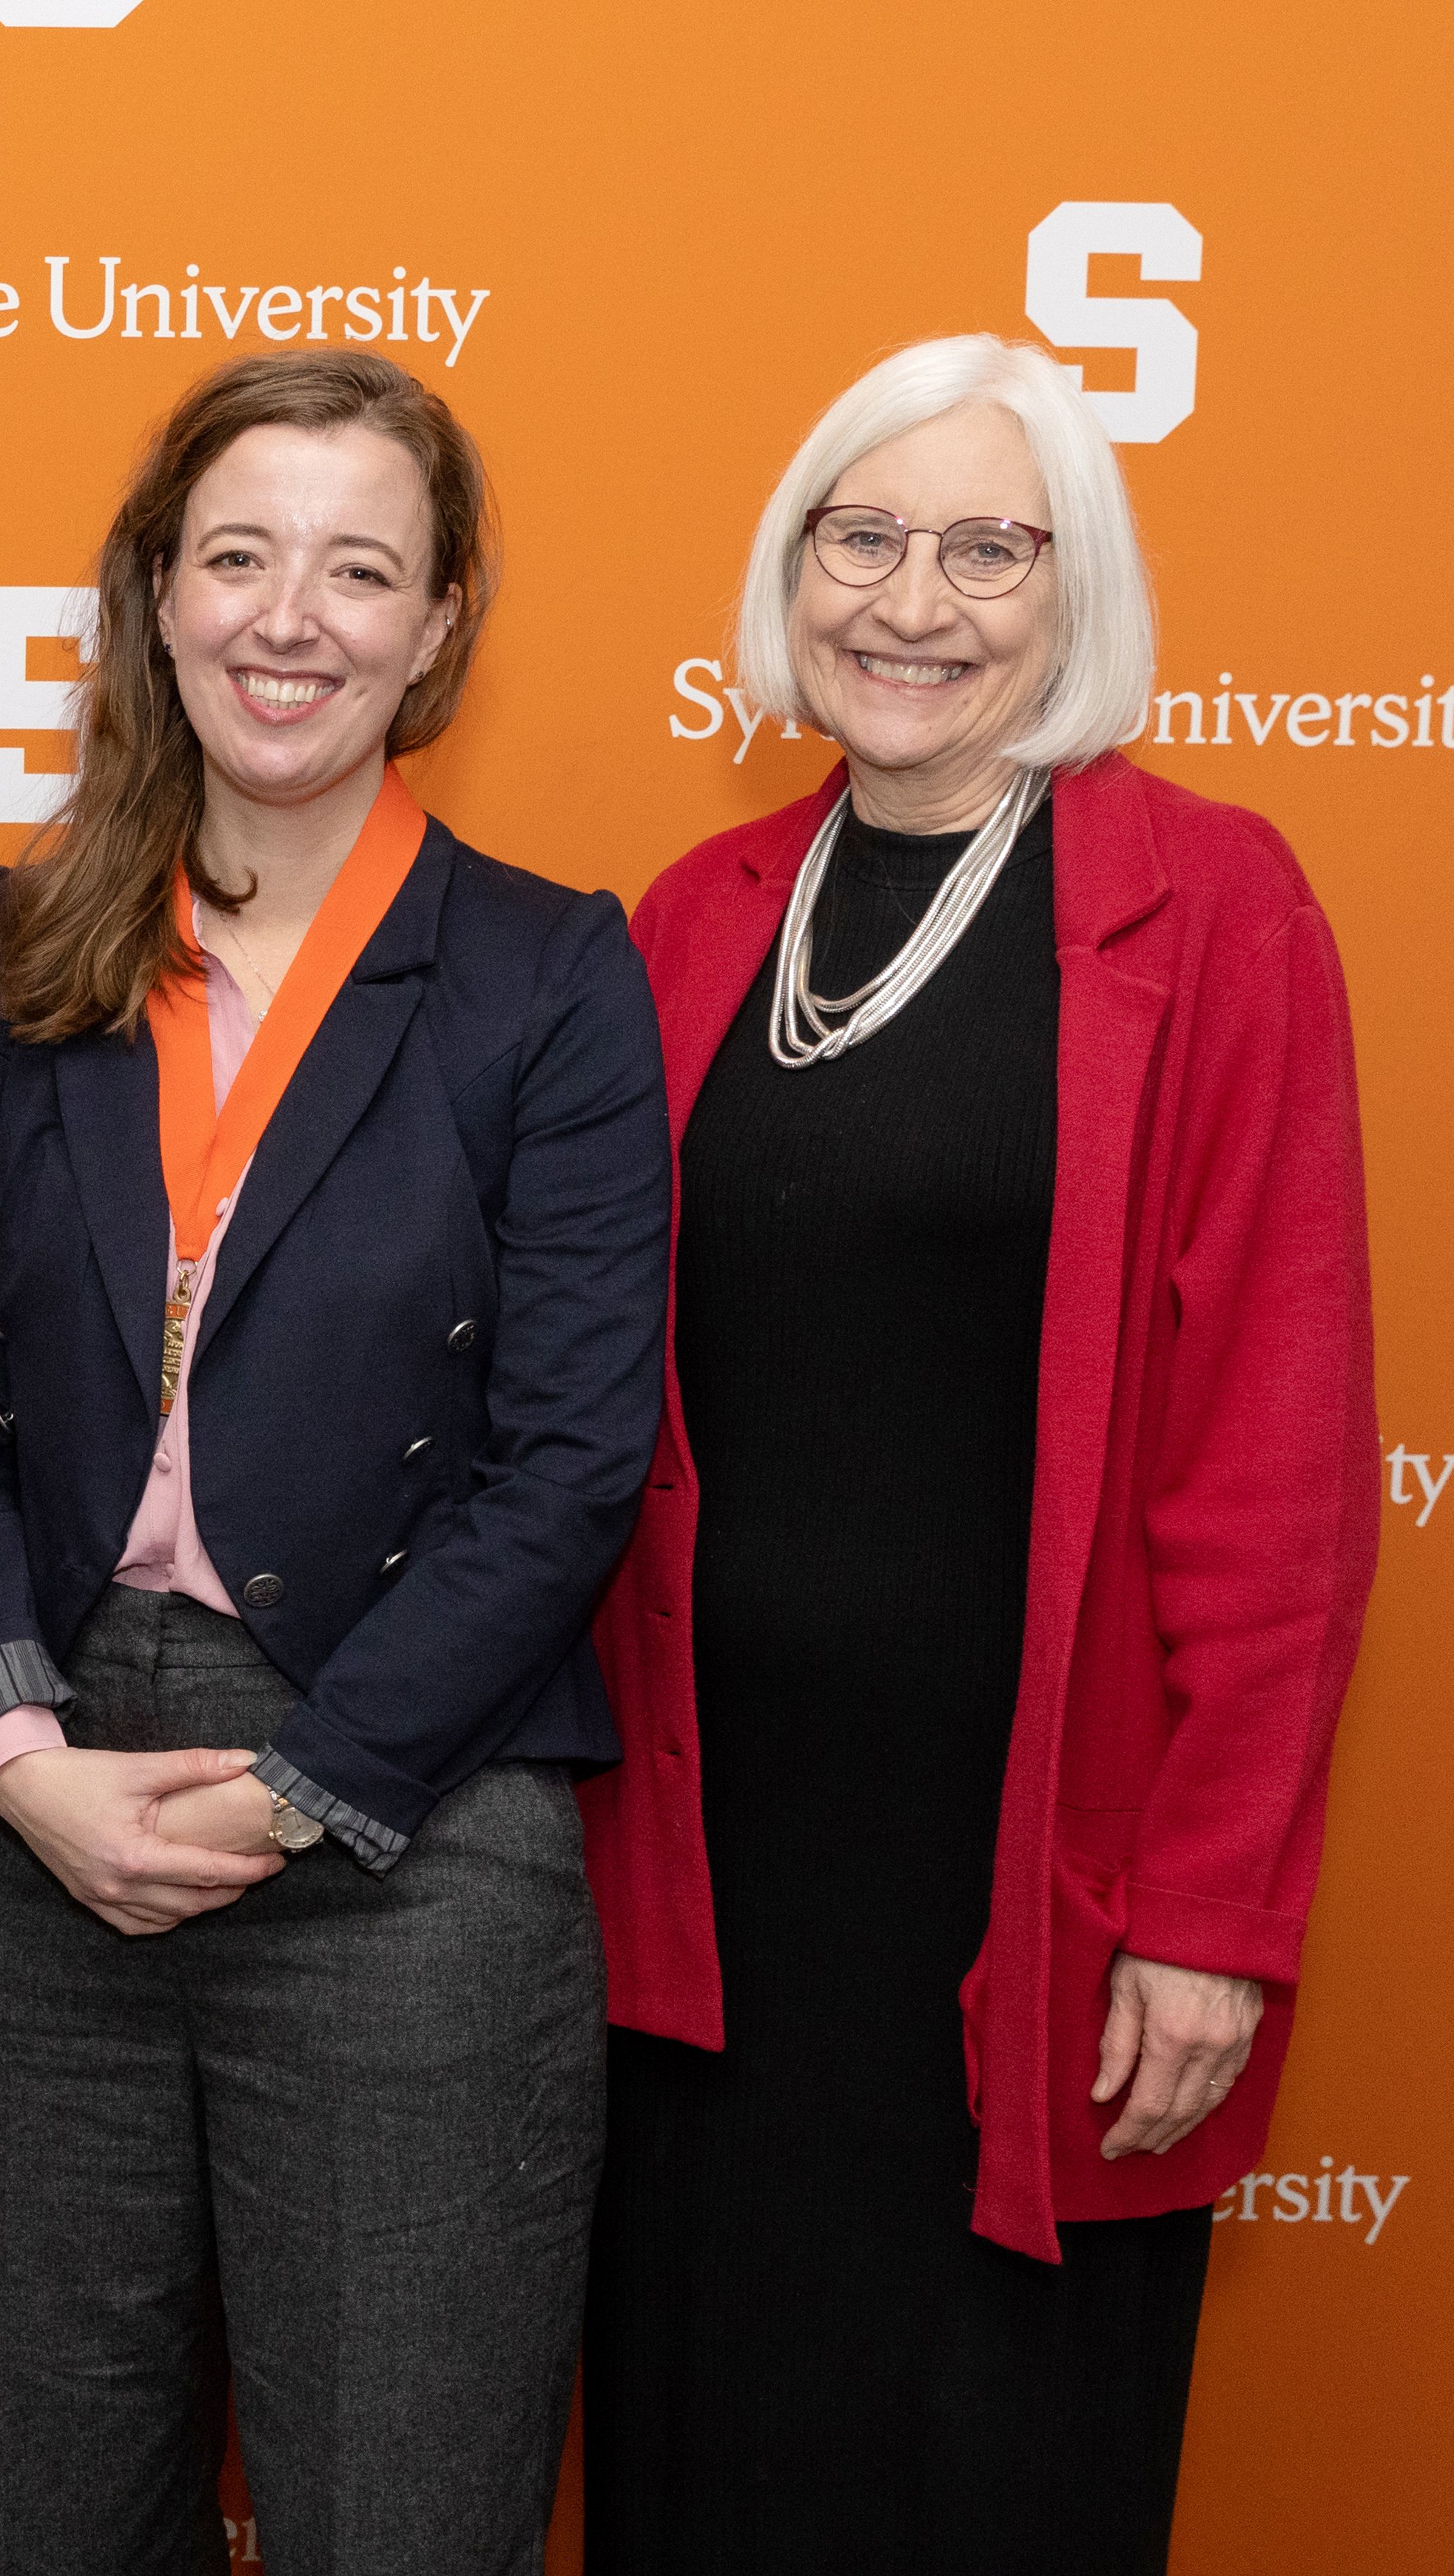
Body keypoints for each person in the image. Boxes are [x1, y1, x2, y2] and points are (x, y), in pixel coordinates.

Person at [0, 351, 673, 2576]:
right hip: (43, 1821)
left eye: (356, 567)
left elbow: (569, 1461)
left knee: (398, 2512)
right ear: (152, 591)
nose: (285, 616)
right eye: (235, 555)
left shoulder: (542, 975)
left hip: (401, 1826)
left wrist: (303, 1781)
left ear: (437, 625)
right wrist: (16, 1757)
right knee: (67, 2506)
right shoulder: (20, 953)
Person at [576, 334, 1376, 2574]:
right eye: (861, 536)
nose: (909, 598)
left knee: (988, 2481)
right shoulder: (692, 921)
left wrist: (1206, 1918)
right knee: (703, 2468)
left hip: (1041, 1888)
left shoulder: (1207, 909)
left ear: (1072, 589)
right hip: (707, 1896)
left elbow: (1281, 1467)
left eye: (982, 546)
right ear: (788, 569)